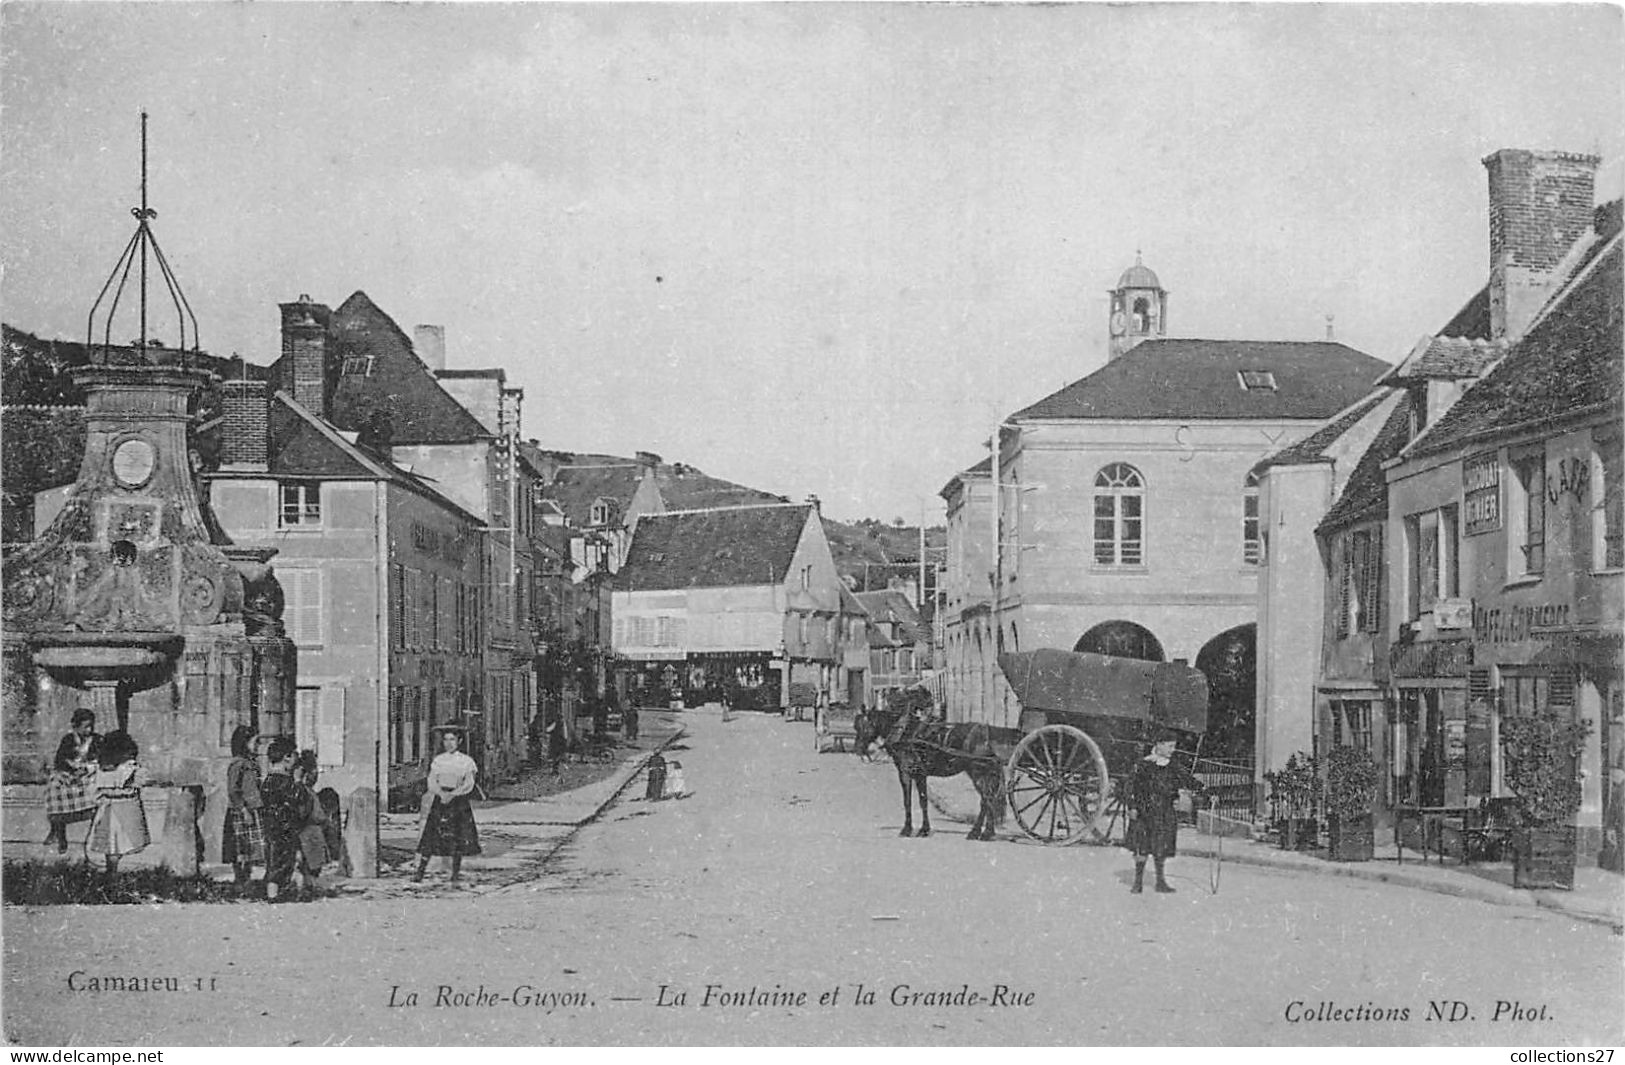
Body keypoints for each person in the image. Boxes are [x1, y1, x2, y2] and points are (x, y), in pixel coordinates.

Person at [1123, 729, 1206, 894]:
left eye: (1173, 746)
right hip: (1144, 811)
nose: (1172, 750)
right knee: (1142, 847)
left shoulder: (1172, 766)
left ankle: (1160, 882)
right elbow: (1130, 787)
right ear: (1159, 745)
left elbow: (1187, 780)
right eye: (1169, 746)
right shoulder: (1143, 764)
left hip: (1164, 811)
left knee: (1161, 847)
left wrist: (1204, 790)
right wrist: (1132, 807)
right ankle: (1137, 882)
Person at [414, 724, 481, 883]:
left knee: (457, 836)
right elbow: (432, 780)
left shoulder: (466, 761)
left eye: (452, 739)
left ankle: (455, 873)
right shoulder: (439, 760)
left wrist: (453, 794)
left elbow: (468, 783)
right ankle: (420, 871)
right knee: (431, 836)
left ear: (459, 741)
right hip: (441, 799)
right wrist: (440, 793)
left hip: (458, 800)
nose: (449, 743)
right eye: (446, 740)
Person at [86, 730, 149, 888]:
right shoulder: (127, 768)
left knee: (114, 844)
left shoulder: (104, 769)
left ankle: (112, 872)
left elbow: (94, 790)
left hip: (112, 807)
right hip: (121, 808)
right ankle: (112, 875)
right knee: (115, 843)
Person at [44, 709, 101, 853]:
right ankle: (59, 833)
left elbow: (100, 760)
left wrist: (87, 767)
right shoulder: (68, 739)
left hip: (88, 775)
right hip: (70, 774)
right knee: (55, 785)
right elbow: (59, 761)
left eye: (91, 726)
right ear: (75, 726)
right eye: (85, 727)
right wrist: (71, 768)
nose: (89, 730)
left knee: (94, 784)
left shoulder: (97, 739)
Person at [258, 737, 306, 902]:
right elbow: (298, 799)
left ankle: (274, 892)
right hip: (284, 827)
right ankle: (275, 894)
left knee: (274, 860)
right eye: (294, 756)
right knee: (282, 861)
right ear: (287, 758)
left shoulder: (269, 780)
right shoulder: (285, 782)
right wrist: (298, 781)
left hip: (271, 826)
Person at [222, 725, 266, 887]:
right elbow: (233, 790)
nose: (257, 746)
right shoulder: (238, 764)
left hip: (253, 810)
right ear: (244, 743)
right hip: (241, 811)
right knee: (241, 849)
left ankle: (246, 879)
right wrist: (243, 809)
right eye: (255, 742)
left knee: (251, 851)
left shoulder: (252, 764)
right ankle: (240, 880)